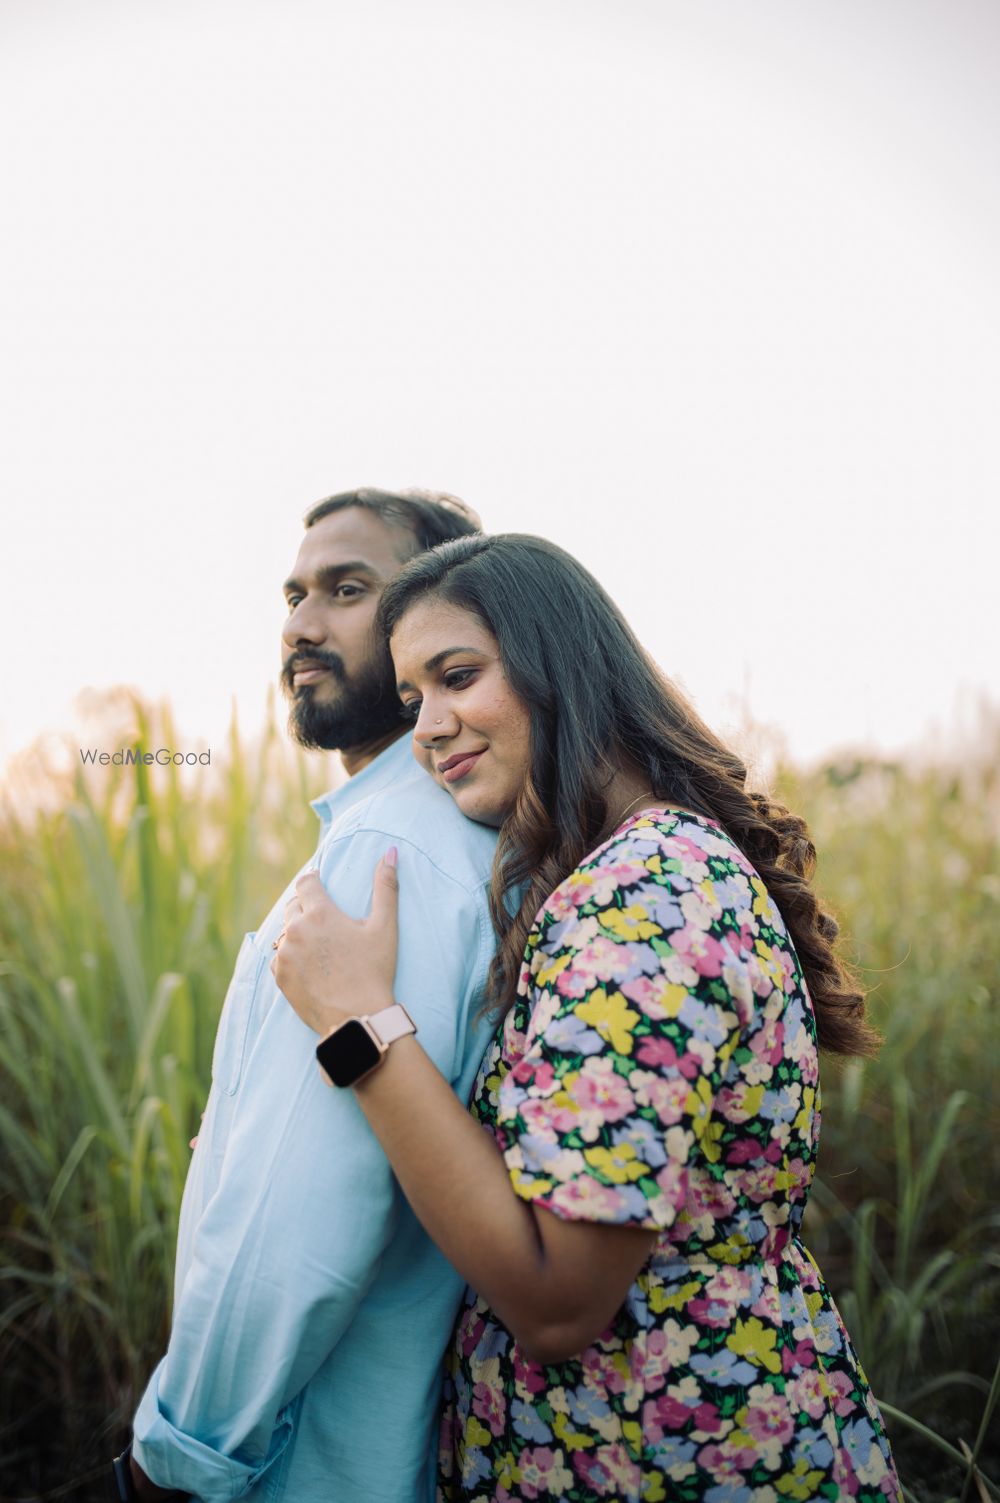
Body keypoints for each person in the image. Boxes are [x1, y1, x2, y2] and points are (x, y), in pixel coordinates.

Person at [272, 532, 903, 1503]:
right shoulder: (636, 870)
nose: (429, 726)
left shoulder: (638, 899)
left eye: (457, 676)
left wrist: (357, 1025)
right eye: (411, 701)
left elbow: (559, 1300)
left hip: (672, 1461)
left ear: (558, 663)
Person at [125, 489, 503, 1503]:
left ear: (445, 617)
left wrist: (183, 1456)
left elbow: (298, 1228)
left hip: (303, 1461)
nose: (300, 624)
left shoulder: (388, 852)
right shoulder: (425, 832)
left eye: (347, 589)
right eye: (293, 594)